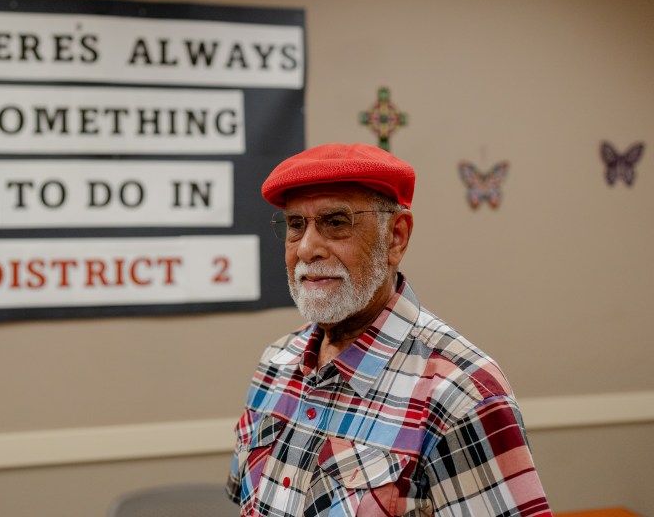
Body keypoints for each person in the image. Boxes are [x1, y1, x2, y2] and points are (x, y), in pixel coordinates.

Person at [226, 143, 550, 516]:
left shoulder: (462, 394)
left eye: (336, 222)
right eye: (296, 225)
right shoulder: (276, 363)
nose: (307, 249)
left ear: (396, 236)